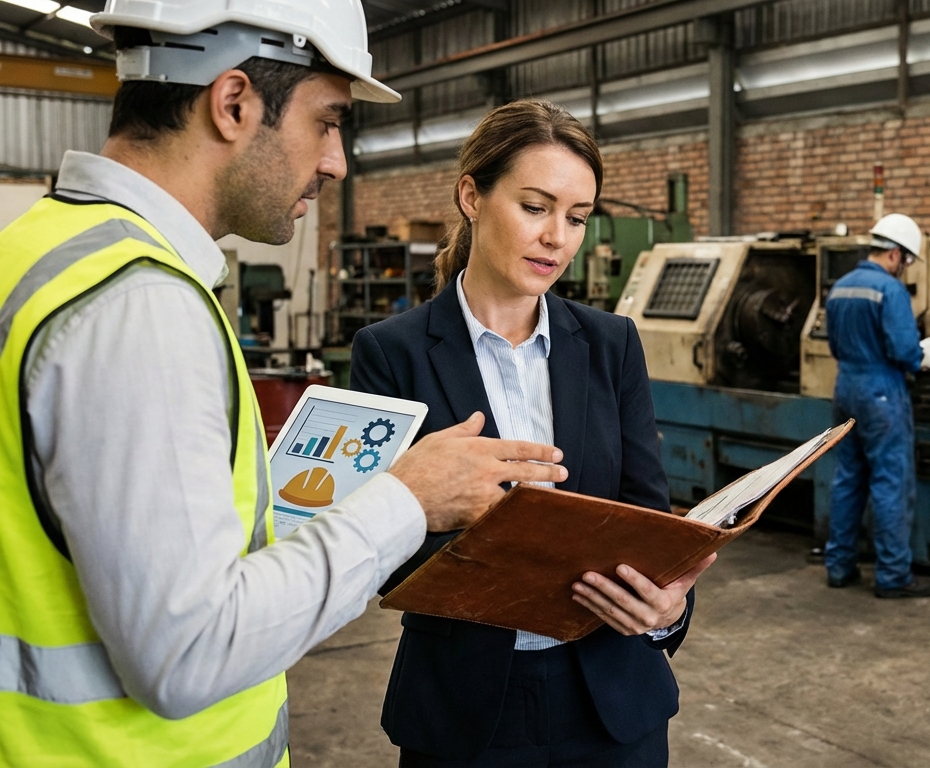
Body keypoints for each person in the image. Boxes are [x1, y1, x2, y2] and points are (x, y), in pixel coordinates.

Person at [0, 3, 568, 766]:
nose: (336, 162)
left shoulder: (41, 252)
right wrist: (407, 499)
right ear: (234, 103)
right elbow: (188, 652)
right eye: (326, 122)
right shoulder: (139, 305)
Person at [350, 99, 715, 768]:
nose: (557, 238)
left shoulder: (611, 344)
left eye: (576, 218)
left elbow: (645, 514)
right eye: (535, 207)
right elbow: (381, 541)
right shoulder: (392, 353)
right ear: (472, 197)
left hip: (613, 701)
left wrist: (667, 606)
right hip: (465, 707)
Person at [823, 213, 930, 599]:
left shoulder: (840, 287)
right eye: (906, 260)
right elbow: (905, 351)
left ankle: (839, 566)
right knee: (890, 482)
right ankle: (892, 575)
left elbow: (834, 345)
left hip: (845, 387)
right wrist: (927, 356)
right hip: (881, 392)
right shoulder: (890, 290)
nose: (904, 268)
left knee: (848, 478)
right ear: (895, 254)